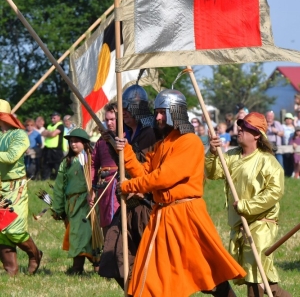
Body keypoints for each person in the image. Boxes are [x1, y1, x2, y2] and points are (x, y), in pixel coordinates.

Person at [116, 89, 246, 297]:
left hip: (186, 216)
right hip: (163, 216)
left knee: (208, 274)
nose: (157, 117)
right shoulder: (162, 145)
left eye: (161, 112)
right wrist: (127, 153)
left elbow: (163, 178)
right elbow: (145, 173)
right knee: (153, 275)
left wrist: (129, 186)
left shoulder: (189, 142)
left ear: (175, 113)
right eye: (156, 112)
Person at [205, 112, 291, 297]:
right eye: (241, 126)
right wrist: (212, 154)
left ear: (257, 134)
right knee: (261, 279)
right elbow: (213, 173)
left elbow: (274, 192)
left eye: (246, 128)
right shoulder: (231, 156)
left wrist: (247, 206)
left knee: (256, 275)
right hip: (239, 224)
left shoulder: (268, 162)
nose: (240, 130)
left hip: (262, 223)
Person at [98, 84, 157, 289]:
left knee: (148, 256)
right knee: (113, 253)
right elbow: (123, 165)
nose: (127, 115)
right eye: (124, 112)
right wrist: (112, 143)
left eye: (130, 111)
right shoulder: (128, 133)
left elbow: (145, 170)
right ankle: (136, 291)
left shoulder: (150, 133)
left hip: (145, 203)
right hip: (128, 201)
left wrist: (124, 149)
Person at [0, 99, 42, 276]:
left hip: (15, 187)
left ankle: (35, 254)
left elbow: (10, 156)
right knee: (0, 230)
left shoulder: (19, 135)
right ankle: (11, 269)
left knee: (14, 229)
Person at [51, 128, 93, 274]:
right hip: (72, 204)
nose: (73, 144)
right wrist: (58, 208)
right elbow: (59, 187)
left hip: (89, 203)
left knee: (85, 235)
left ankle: (83, 267)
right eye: (71, 141)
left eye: (77, 141)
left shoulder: (91, 159)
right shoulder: (66, 162)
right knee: (77, 234)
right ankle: (83, 267)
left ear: (85, 143)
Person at [91, 102, 119, 239]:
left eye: (112, 119)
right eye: (107, 120)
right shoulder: (101, 141)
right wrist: (92, 188)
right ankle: (108, 255)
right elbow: (93, 165)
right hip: (103, 187)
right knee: (106, 223)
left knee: (118, 221)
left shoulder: (126, 138)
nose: (109, 123)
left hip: (119, 185)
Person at [41, 112, 65, 180]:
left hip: (56, 149)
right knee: (46, 164)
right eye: (51, 118)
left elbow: (53, 134)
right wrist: (50, 133)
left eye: (54, 118)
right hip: (48, 148)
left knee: (57, 165)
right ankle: (45, 178)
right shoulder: (49, 125)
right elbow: (42, 133)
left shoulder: (60, 126)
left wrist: (48, 133)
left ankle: (57, 179)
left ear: (59, 117)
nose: (52, 119)